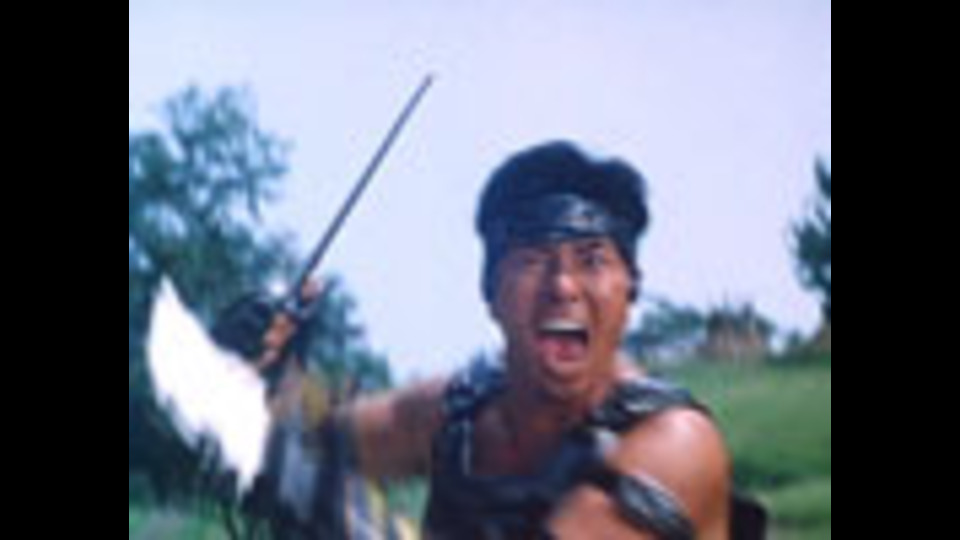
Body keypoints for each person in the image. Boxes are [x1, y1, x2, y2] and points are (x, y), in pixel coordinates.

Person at [221, 141, 759, 539]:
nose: (562, 286)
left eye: (591, 260)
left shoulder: (676, 444)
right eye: (531, 260)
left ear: (630, 289)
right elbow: (302, 441)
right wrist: (265, 372)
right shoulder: (456, 415)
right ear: (490, 291)